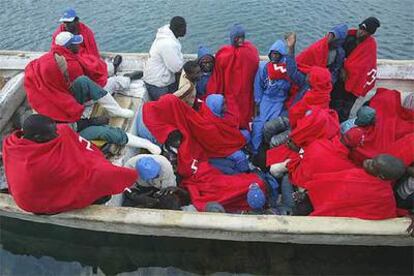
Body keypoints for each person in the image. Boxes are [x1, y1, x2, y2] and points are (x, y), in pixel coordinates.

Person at [25, 32, 161, 153]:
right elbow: (65, 129)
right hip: (67, 132)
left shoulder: (47, 85)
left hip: (66, 113)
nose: (67, 77)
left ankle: (115, 110)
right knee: (104, 131)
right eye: (64, 74)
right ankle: (146, 144)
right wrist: (92, 121)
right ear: (54, 76)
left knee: (82, 81)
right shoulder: (45, 116)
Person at [2, 114, 138, 214]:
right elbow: (79, 176)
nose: (57, 134)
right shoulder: (39, 166)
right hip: (37, 202)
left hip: (29, 187)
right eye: (52, 134)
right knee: (101, 189)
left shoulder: (11, 144)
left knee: (65, 130)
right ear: (38, 138)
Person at [305, 154, 406, 220]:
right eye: (372, 159)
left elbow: (387, 212)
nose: (367, 161)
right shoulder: (363, 173)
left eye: (372, 164)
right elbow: (329, 181)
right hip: (317, 198)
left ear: (381, 176)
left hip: (328, 212)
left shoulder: (384, 196)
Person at [206, 23, 259, 129]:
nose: (240, 40)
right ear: (233, 39)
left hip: (241, 92)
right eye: (237, 38)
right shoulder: (251, 51)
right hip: (235, 93)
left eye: (242, 37)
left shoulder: (224, 54)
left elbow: (218, 77)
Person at [331, 17, 380, 122]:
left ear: (369, 34)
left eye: (365, 31)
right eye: (361, 28)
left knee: (345, 110)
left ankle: (339, 127)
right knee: (334, 104)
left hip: (355, 83)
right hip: (340, 78)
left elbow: (367, 66)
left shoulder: (370, 46)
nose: (361, 32)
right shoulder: (348, 37)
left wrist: (351, 71)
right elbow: (336, 52)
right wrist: (343, 67)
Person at [284, 33, 333, 128]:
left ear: (316, 81)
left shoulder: (321, 101)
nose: (307, 75)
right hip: (293, 115)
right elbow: (292, 72)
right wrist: (291, 49)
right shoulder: (311, 86)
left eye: (311, 75)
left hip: (300, 124)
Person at [250, 39, 291, 154]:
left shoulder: (287, 69)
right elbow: (258, 86)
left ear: (281, 56)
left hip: (279, 100)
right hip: (266, 99)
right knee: (258, 124)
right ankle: (255, 150)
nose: (274, 57)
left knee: (272, 124)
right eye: (272, 54)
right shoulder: (263, 67)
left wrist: (278, 82)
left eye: (277, 54)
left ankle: (269, 149)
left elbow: (289, 87)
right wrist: (257, 103)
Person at [143, 16, 186, 100]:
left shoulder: (168, 36)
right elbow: (177, 68)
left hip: (162, 80)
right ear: (177, 29)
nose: (185, 30)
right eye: (184, 27)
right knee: (166, 108)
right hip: (158, 85)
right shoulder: (168, 44)